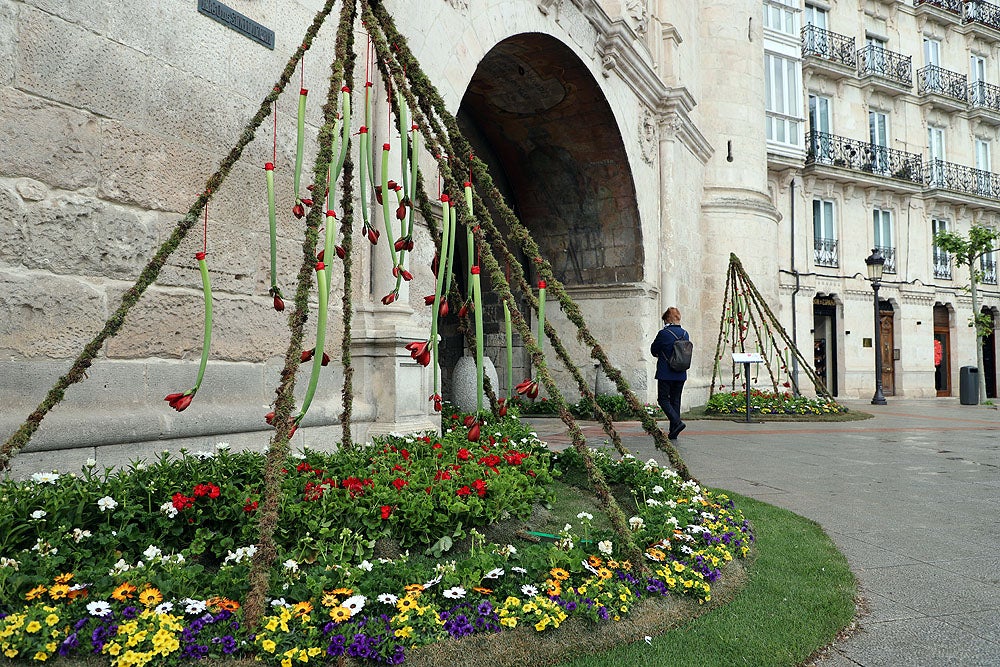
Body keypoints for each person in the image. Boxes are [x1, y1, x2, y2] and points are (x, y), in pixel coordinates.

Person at [650, 307, 689, 440]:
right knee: (675, 400)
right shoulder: (685, 334)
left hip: (666, 372)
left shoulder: (664, 333)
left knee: (662, 399)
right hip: (681, 372)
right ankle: (674, 431)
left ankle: (677, 423)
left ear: (667, 319)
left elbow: (653, 349)